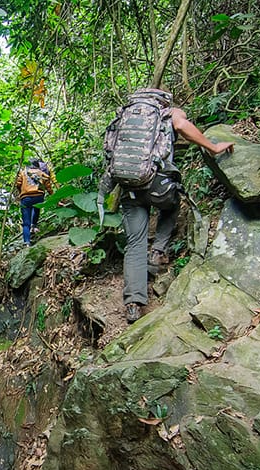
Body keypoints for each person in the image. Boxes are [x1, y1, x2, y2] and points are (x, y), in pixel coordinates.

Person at [98, 91, 234, 323]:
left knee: (134, 243)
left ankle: (133, 303)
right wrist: (213, 147)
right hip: (157, 186)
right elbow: (181, 125)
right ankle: (158, 252)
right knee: (172, 207)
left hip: (128, 186)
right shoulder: (166, 113)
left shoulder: (123, 116)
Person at [14, 157, 53, 246]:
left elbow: (18, 184)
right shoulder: (41, 173)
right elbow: (48, 185)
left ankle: (27, 242)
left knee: (25, 222)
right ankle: (34, 225)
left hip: (26, 197)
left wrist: (21, 193)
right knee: (36, 208)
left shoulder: (23, 173)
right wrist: (53, 195)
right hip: (38, 196)